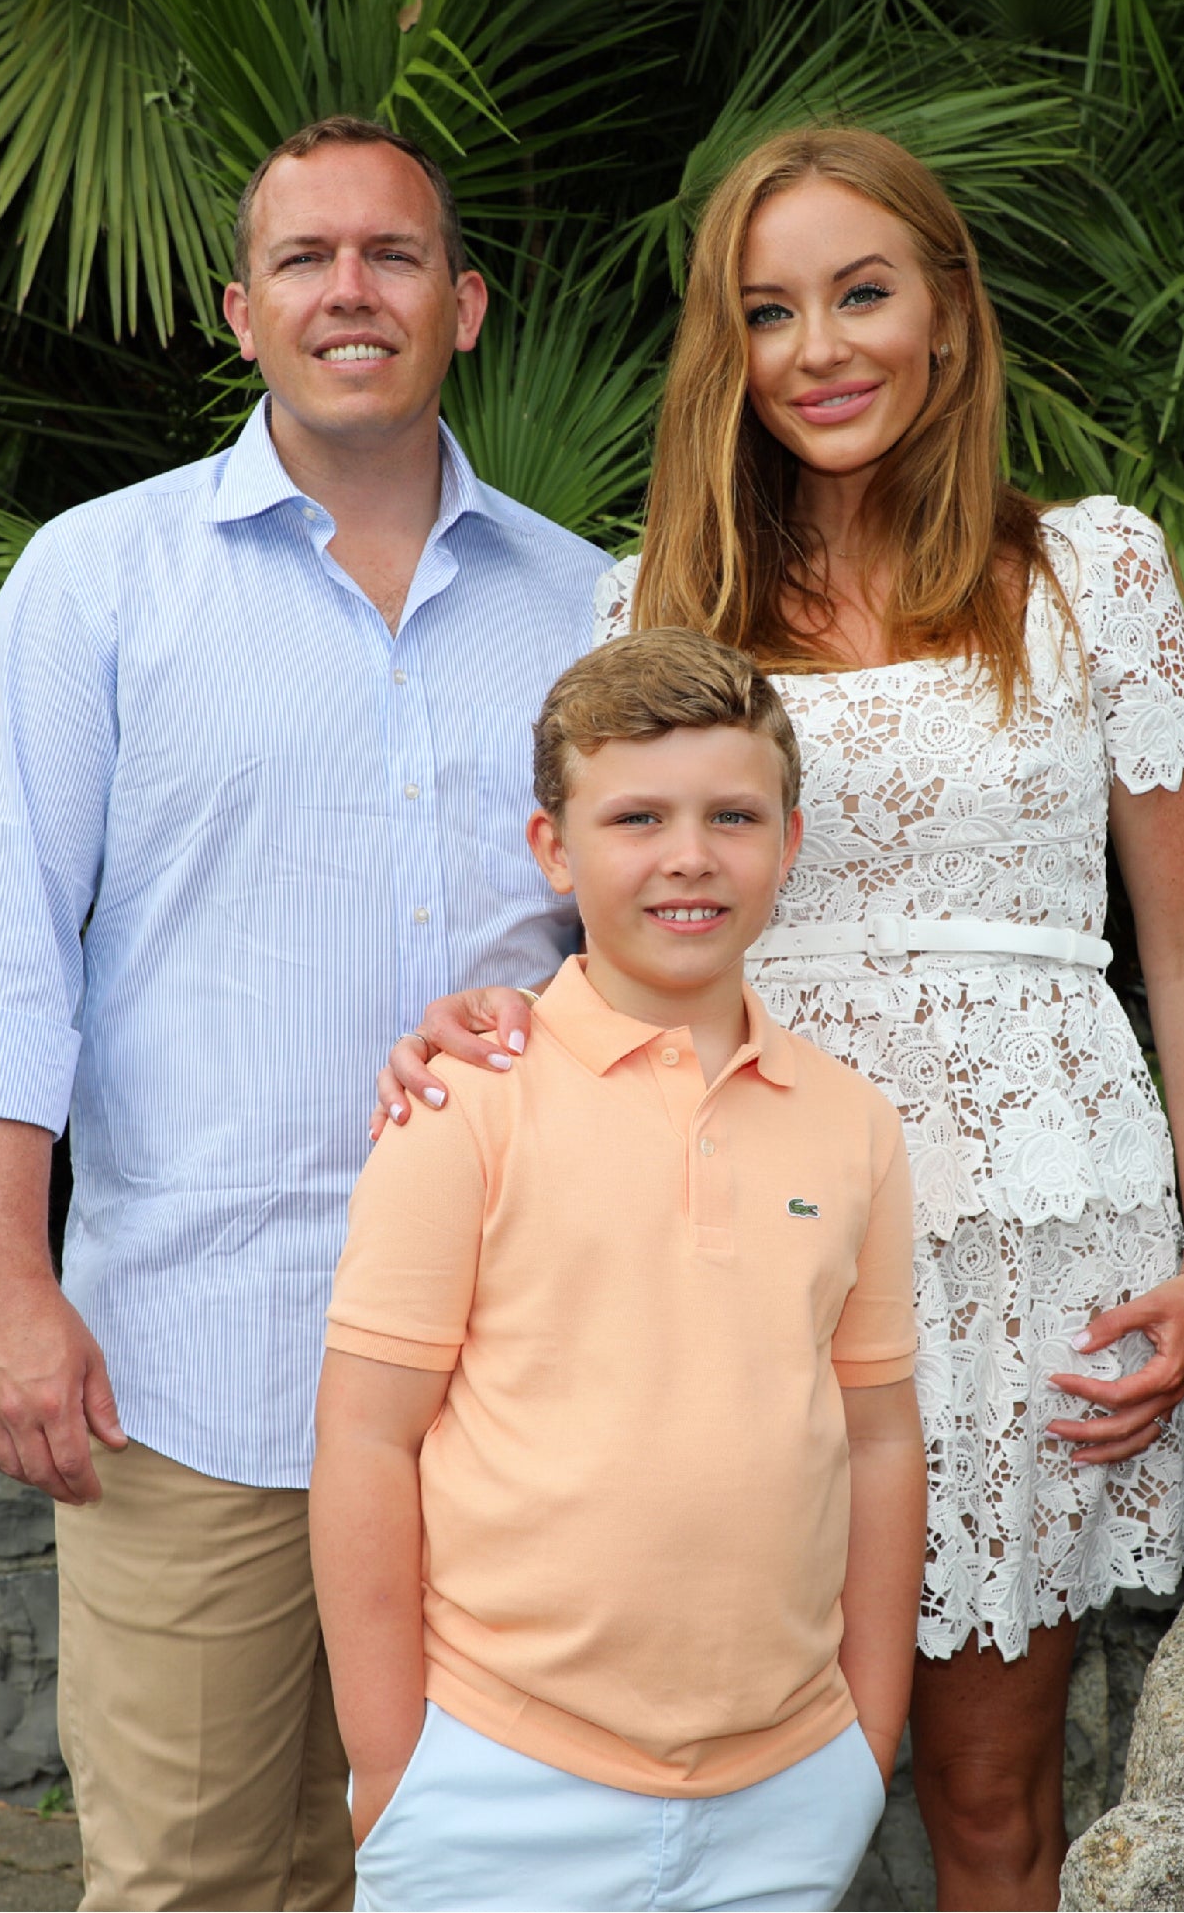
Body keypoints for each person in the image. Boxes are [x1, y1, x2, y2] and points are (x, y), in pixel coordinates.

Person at [378, 127, 1184, 1908]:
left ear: (948, 311)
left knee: (991, 1790)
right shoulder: (658, 598)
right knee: (714, 1763)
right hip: (742, 1237)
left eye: (863, 293)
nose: (820, 348)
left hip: (1029, 1244)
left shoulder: (1095, 571)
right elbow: (617, 911)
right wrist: (481, 1018)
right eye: (769, 311)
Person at [0, 114, 610, 1910]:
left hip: (506, 1376)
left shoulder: (587, 601)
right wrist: (7, 1287)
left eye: (390, 256)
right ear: (241, 309)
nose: (349, 290)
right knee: (195, 1879)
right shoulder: (98, 579)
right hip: (193, 1368)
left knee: (474, 1875)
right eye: (306, 259)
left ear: (464, 302)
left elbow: (658, 941)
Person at [316, 628, 925, 1912]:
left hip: (785, 1788)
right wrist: (392, 1761)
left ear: (790, 842)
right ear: (555, 847)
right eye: (636, 814)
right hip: (495, 1773)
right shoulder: (465, 1102)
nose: (688, 854)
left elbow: (876, 1437)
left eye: (733, 814)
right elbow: (366, 1440)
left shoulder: (853, 1121)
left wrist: (865, 1743)